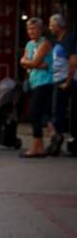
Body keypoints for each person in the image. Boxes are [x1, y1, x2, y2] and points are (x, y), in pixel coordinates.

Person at [19, 17, 54, 158]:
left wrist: (31, 63)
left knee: (33, 114)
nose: (31, 31)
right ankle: (41, 147)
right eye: (29, 29)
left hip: (45, 82)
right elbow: (23, 61)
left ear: (41, 30)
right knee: (38, 115)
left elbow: (33, 62)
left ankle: (35, 147)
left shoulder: (44, 43)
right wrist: (33, 64)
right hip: (34, 81)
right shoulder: (29, 44)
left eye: (34, 28)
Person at [47, 13, 76, 156]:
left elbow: (73, 60)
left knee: (60, 111)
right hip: (57, 78)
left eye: (51, 25)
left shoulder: (69, 38)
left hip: (66, 79)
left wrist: (68, 81)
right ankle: (57, 140)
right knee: (56, 111)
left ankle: (61, 140)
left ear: (58, 26)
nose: (50, 28)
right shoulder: (57, 39)